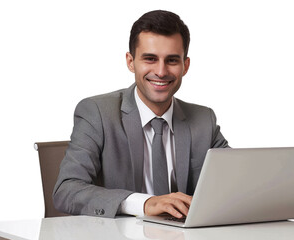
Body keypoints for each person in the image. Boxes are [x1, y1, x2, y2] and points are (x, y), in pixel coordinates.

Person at [53, 10, 229, 219]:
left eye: (172, 60)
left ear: (185, 66)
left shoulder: (203, 119)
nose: (161, 71)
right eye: (150, 59)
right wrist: (144, 203)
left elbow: (235, 182)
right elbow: (66, 190)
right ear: (130, 62)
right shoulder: (96, 113)